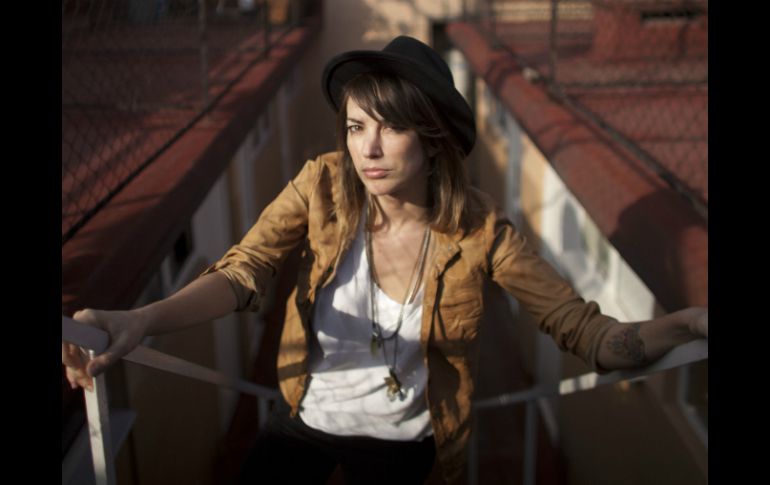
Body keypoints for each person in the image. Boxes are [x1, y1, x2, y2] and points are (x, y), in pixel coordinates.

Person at [62, 36, 708, 485]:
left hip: (405, 442)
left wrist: (685, 326)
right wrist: (141, 319)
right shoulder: (321, 184)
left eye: (391, 127)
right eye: (355, 126)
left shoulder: (481, 230)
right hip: (305, 415)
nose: (367, 149)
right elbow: (242, 271)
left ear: (432, 139)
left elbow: (587, 332)